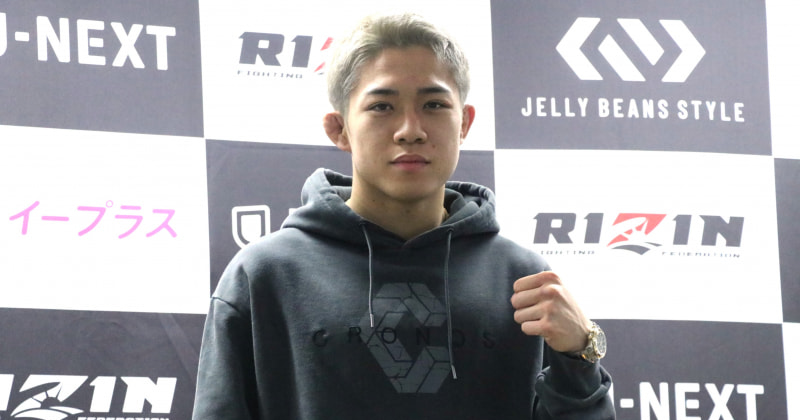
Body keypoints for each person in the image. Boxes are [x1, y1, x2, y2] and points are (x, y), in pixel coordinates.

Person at [193, 12, 614, 419]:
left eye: (433, 104)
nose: (410, 129)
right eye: (382, 106)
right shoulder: (264, 274)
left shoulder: (522, 278)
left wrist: (579, 352)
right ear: (339, 128)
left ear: (465, 123)